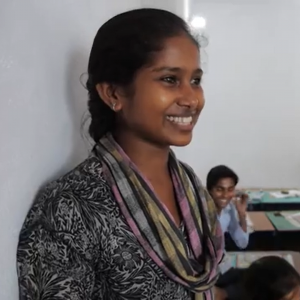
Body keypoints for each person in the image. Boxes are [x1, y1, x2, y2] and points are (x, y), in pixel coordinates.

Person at [17, 8, 224, 300]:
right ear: (113, 94)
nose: (191, 99)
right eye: (169, 79)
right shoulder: (69, 209)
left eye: (195, 80)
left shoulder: (191, 187)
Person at [206, 165, 249, 249]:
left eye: (230, 189)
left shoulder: (228, 209)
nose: (225, 195)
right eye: (219, 189)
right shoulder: (201, 213)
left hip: (220, 258)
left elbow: (242, 243)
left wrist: (241, 215)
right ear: (210, 190)